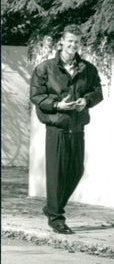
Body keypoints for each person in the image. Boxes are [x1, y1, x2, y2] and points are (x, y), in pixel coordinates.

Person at [29, 25, 103, 234]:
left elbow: (97, 92)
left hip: (77, 127)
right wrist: (57, 105)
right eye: (70, 41)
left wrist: (85, 101)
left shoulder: (87, 69)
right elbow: (36, 96)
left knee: (76, 171)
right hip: (57, 128)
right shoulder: (45, 69)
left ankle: (51, 207)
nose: (73, 45)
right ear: (61, 42)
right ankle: (56, 218)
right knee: (56, 175)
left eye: (77, 42)